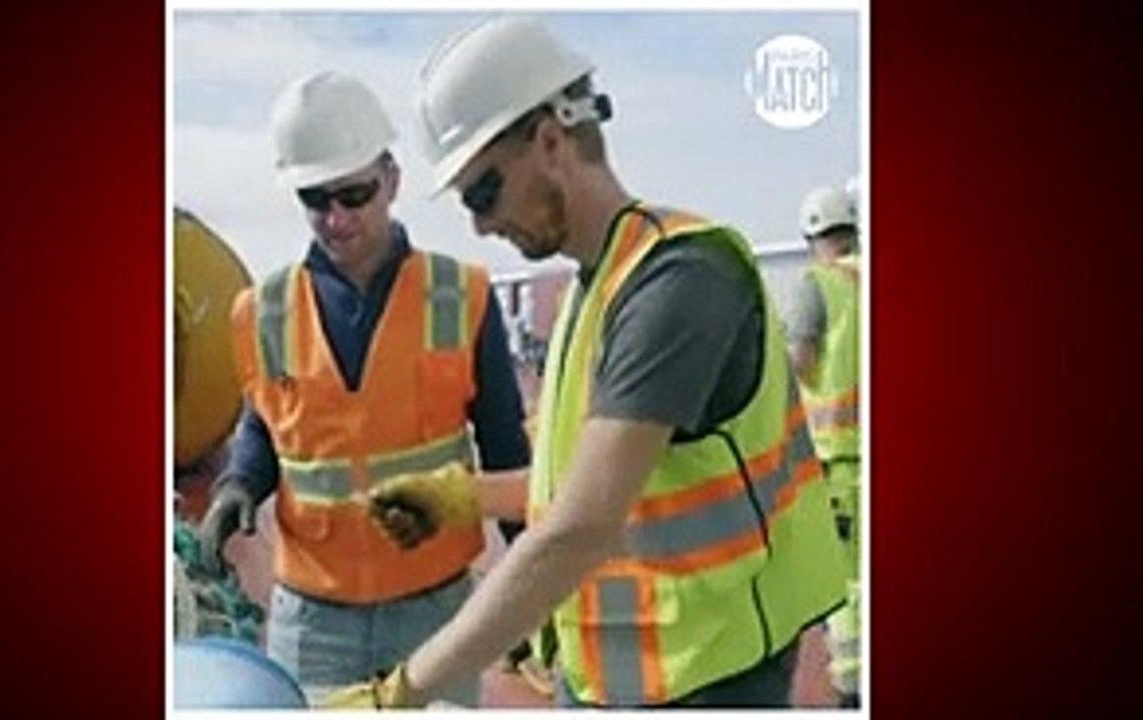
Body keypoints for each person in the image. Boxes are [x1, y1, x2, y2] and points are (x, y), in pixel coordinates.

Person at [324, 15, 848, 709]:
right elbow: (564, 481)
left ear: (550, 140)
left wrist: (402, 690)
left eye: (484, 191)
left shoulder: (681, 281)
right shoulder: (596, 289)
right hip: (618, 680)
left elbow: (581, 525)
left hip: (707, 680)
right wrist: (460, 496)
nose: (479, 224)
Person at [195, 70, 531, 707]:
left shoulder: (463, 296)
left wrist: (529, 586)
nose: (336, 218)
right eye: (315, 198)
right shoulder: (261, 311)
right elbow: (266, 427)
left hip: (436, 610)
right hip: (314, 620)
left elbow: (506, 450)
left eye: (354, 194)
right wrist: (239, 483)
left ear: (393, 181)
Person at [786, 185, 862, 708]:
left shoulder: (818, 284)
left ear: (812, 236)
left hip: (843, 459)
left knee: (849, 580)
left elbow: (800, 363)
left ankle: (853, 684)